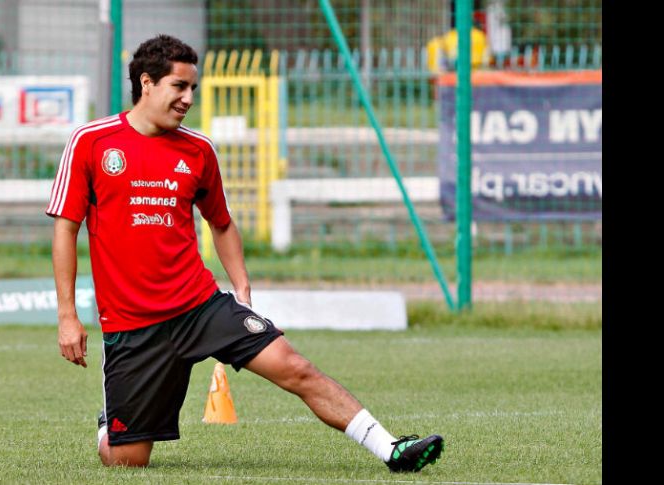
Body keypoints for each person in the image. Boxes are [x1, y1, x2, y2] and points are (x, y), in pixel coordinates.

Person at [46, 34, 444, 472]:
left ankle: (391, 449)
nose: (188, 98)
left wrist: (241, 287)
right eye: (180, 86)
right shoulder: (93, 141)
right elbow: (66, 228)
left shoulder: (198, 150)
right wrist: (68, 315)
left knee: (295, 365)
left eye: (193, 88)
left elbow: (221, 222)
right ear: (147, 83)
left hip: (199, 305)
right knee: (125, 461)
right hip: (133, 325)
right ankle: (113, 425)